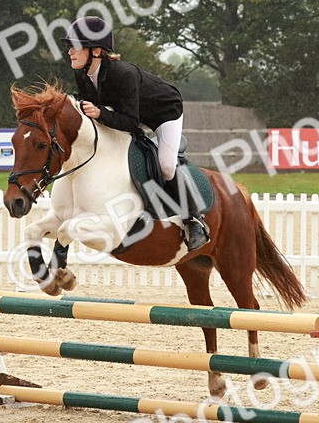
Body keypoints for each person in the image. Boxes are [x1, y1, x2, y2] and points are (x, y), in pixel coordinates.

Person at [62, 16, 210, 251]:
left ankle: (194, 220)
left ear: (96, 51)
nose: (70, 51)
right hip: (130, 113)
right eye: (69, 46)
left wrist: (99, 113)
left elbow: (130, 122)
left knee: (166, 165)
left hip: (164, 112)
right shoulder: (82, 74)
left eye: (76, 46)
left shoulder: (123, 74)